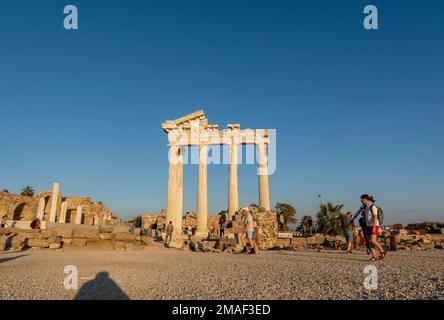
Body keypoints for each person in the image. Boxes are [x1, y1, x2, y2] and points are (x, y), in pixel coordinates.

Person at [361, 194, 386, 261]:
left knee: (373, 240)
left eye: (362, 200)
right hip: (368, 226)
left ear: (366, 199)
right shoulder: (365, 207)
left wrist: (374, 226)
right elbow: (365, 218)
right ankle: (374, 256)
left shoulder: (373, 206)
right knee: (370, 242)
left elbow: (375, 216)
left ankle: (382, 251)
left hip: (374, 225)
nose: (361, 201)